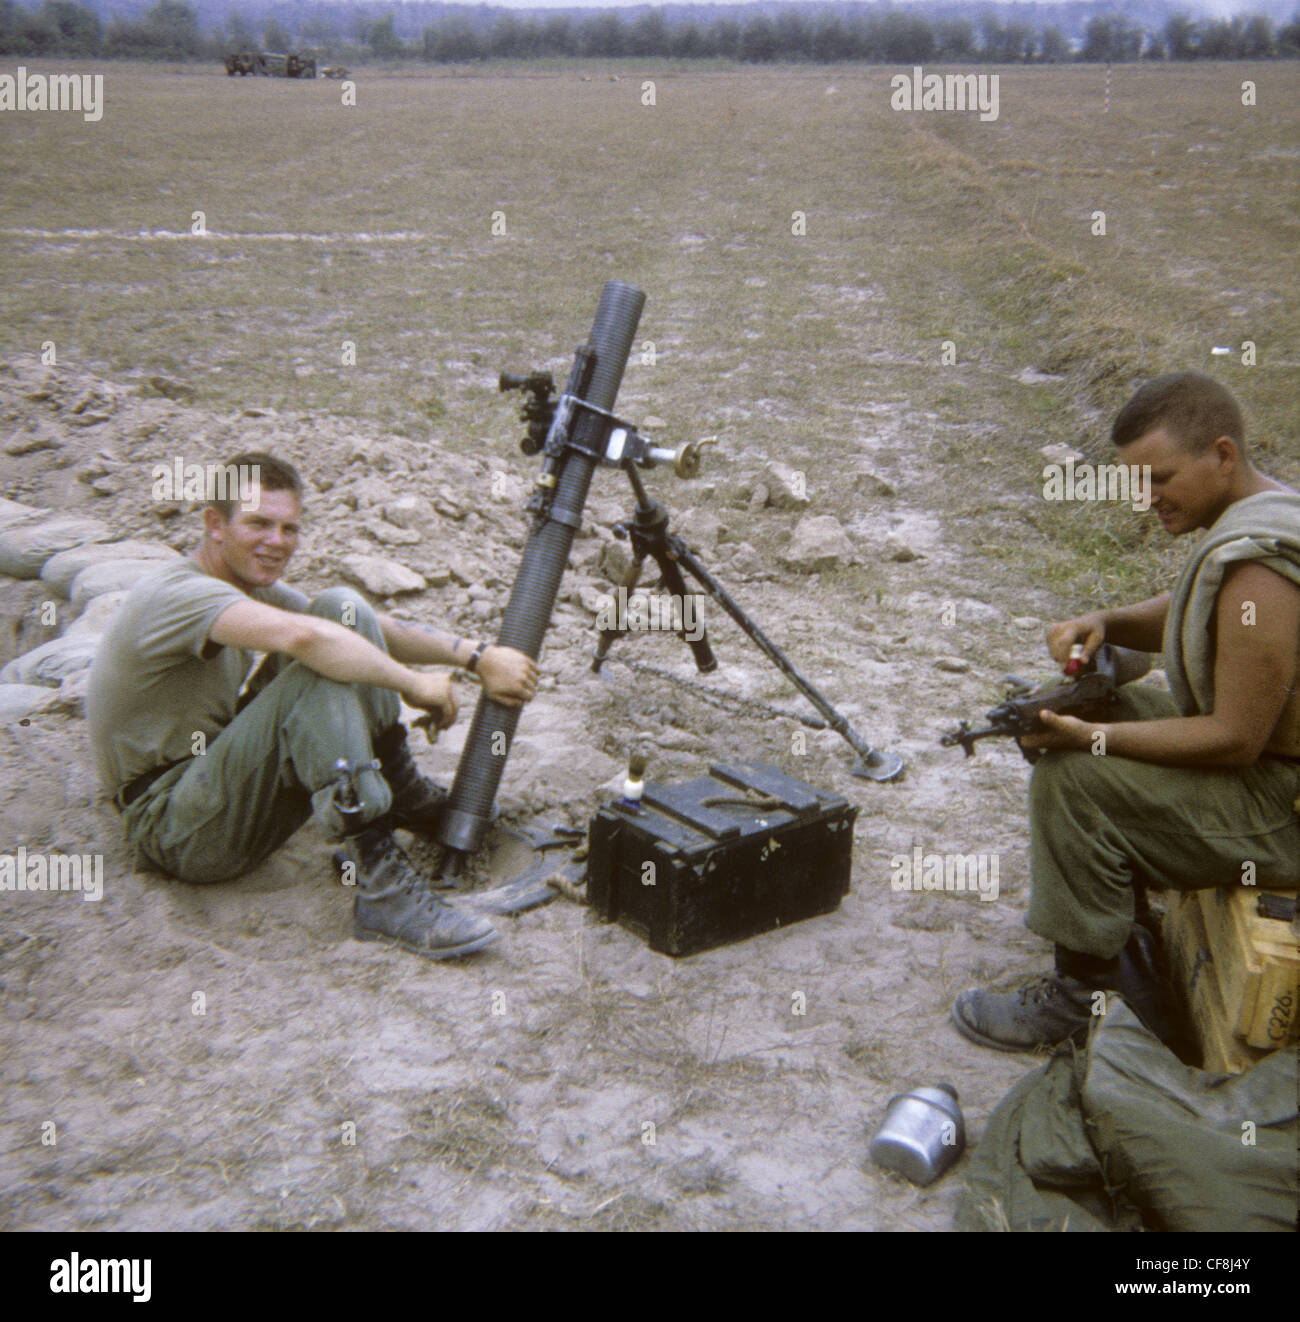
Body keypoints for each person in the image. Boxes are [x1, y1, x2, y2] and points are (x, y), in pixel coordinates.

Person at [952, 372, 1300, 1051]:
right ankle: (1120, 916)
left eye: (1160, 478)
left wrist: (1093, 738)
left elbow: (1232, 740)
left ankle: (1079, 1001)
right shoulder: (1267, 512)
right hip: (1272, 775)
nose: (1146, 500)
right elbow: (1199, 606)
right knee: (1114, 705)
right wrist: (1106, 621)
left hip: (1280, 811)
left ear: (1222, 455)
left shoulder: (1260, 571)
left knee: (1074, 773)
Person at [86, 452, 538, 960]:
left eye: (289, 528)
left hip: (209, 782)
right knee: (315, 674)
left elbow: (349, 626)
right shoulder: (178, 594)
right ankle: (383, 889)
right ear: (215, 524)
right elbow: (306, 639)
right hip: (174, 828)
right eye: (258, 523)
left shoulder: (237, 584)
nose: (276, 542)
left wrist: (475, 657)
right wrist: (411, 683)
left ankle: (403, 794)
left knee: (342, 607)